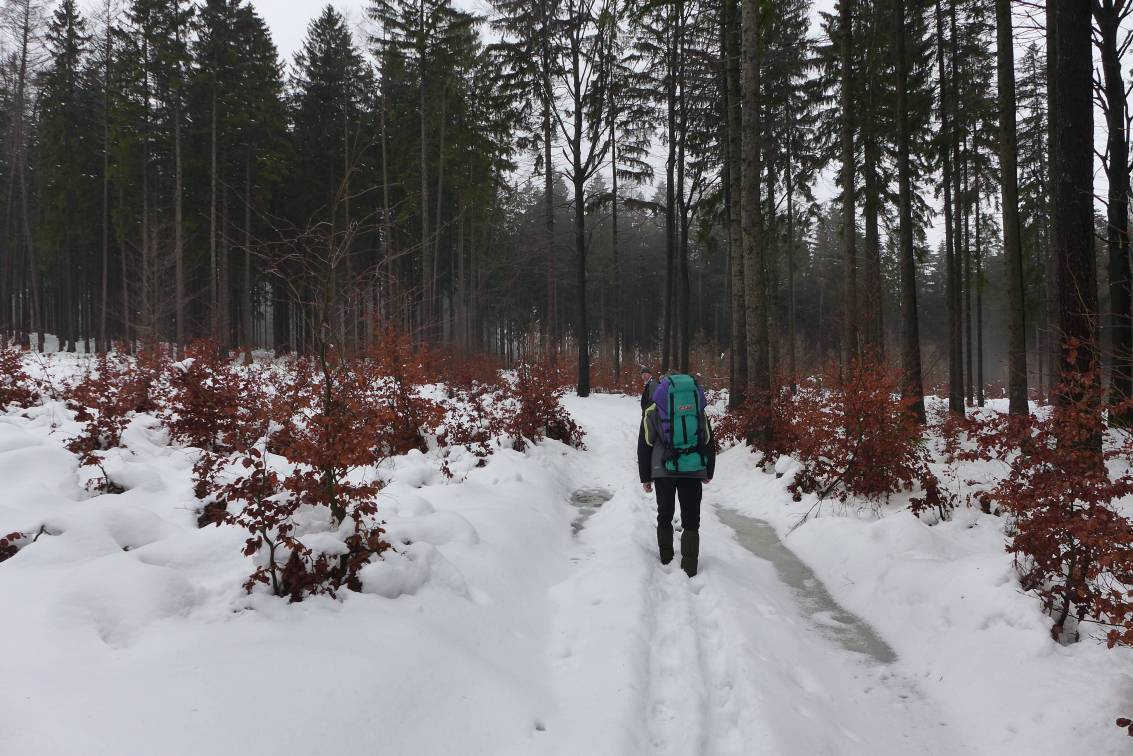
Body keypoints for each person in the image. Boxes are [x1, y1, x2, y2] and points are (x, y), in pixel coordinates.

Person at [637, 373, 715, 577]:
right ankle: (689, 568)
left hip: (663, 469)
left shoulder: (654, 409)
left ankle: (666, 558)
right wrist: (709, 470)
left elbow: (645, 443)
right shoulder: (697, 407)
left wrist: (645, 477)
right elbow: (707, 439)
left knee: (665, 512)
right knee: (691, 517)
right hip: (693, 468)